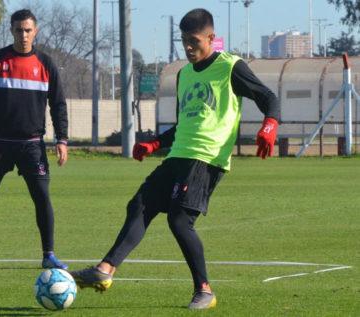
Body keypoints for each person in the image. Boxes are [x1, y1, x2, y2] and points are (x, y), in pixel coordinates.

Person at [70, 8, 279, 310]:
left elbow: (268, 97)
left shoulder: (230, 66)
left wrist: (269, 124)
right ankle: (105, 271)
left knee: (180, 220)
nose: (189, 48)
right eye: (184, 42)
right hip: (179, 154)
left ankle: (204, 290)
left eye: (194, 41)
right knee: (141, 204)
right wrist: (155, 143)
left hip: (206, 159)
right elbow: (185, 124)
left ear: (211, 38)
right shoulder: (183, 75)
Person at [0, 9, 68, 271]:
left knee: (42, 197)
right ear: (11, 31)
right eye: (19, 30)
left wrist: (62, 139)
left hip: (32, 145)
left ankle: (49, 254)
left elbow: (58, 104)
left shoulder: (46, 64)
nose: (23, 35)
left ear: (36, 31)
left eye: (28, 30)